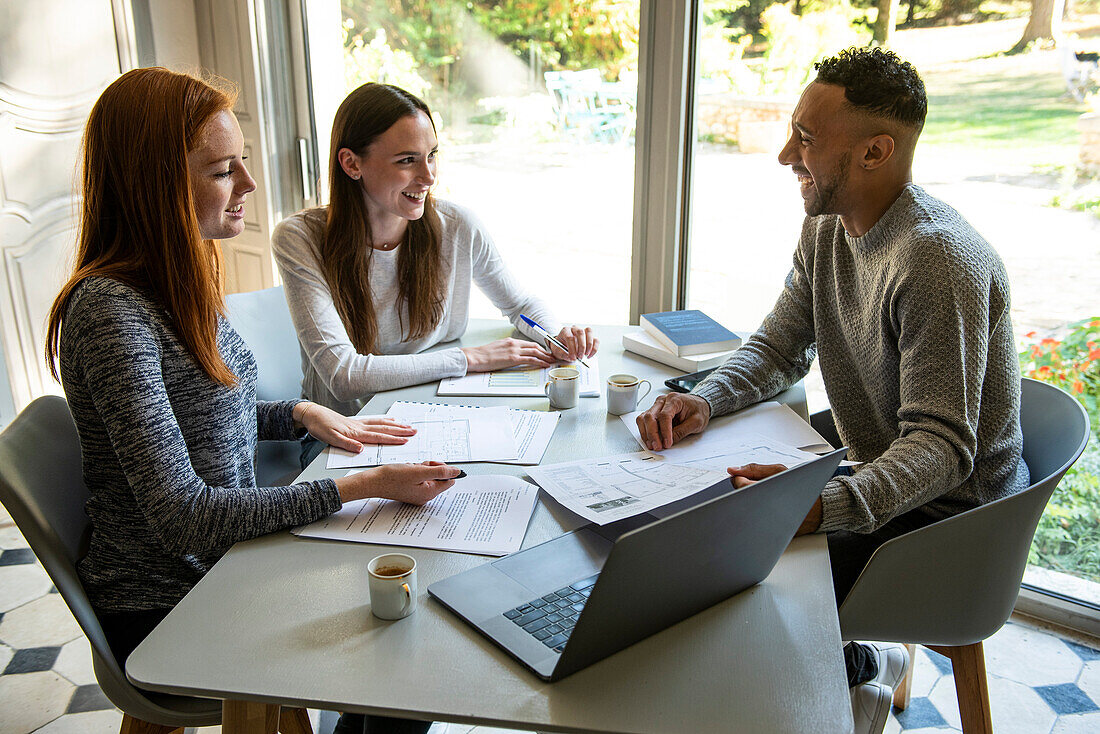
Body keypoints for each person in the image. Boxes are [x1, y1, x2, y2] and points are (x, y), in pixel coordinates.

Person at [44, 67, 457, 734]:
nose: (248, 187)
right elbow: (185, 517)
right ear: (156, 186)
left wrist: (296, 413)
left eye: (243, 164)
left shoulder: (177, 280)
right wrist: (360, 486)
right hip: (171, 597)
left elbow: (200, 410)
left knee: (410, 601)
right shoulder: (109, 314)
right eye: (221, 171)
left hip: (225, 563)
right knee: (408, 633)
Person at [635, 47, 1029, 734]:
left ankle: (849, 682)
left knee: (735, 597)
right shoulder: (826, 224)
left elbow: (941, 449)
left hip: (953, 524)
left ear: (876, 152)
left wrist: (824, 505)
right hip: (884, 473)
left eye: (808, 140)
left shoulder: (936, 260)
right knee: (699, 534)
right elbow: (781, 343)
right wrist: (705, 397)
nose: (787, 153)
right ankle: (858, 672)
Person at [271, 82, 599, 427]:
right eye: (407, 160)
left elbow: (520, 305)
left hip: (431, 416)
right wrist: (469, 359)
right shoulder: (299, 239)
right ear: (352, 164)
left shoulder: (457, 226)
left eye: (431, 155)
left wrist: (556, 334)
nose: (428, 177)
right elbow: (343, 375)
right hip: (345, 432)